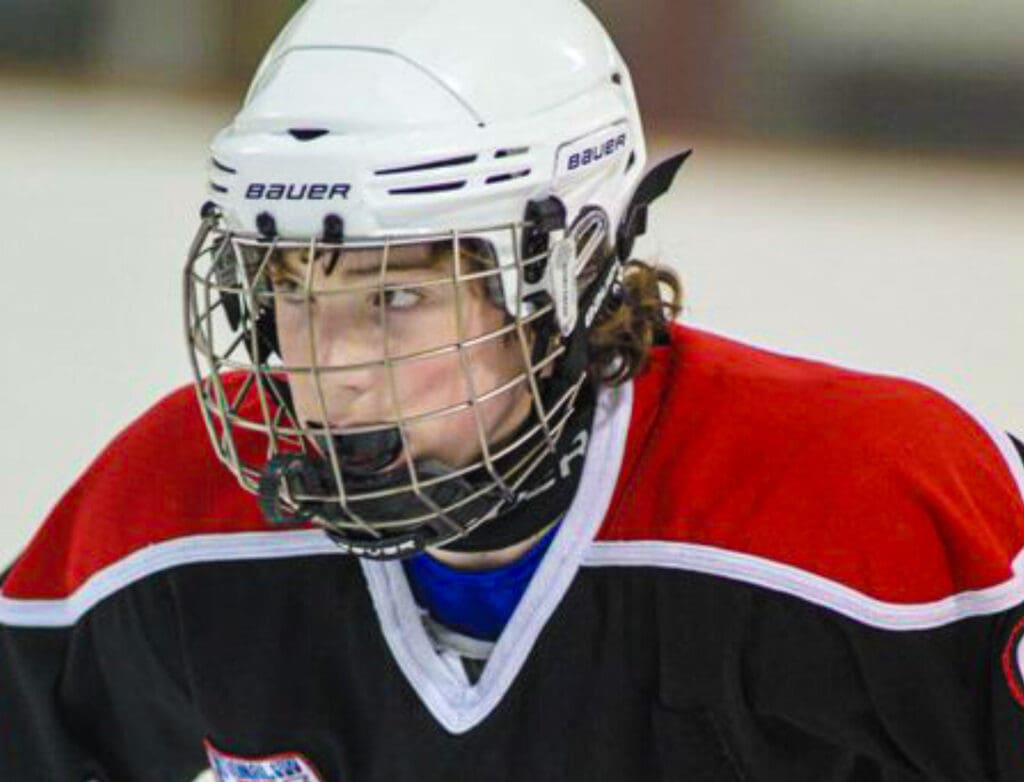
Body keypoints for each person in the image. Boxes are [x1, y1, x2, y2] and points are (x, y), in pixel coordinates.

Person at [2, 0, 1023, 780]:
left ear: (568, 272)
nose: (330, 367)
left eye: (394, 294)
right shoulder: (168, 517)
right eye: (287, 291)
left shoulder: (868, 504)